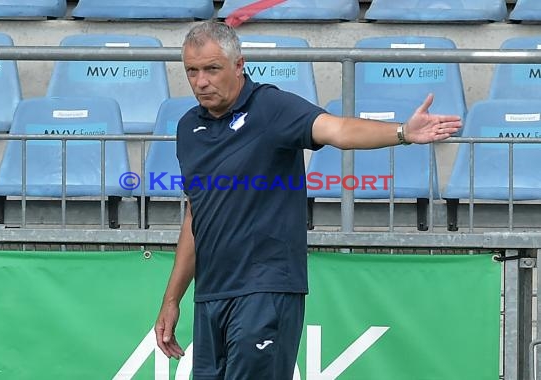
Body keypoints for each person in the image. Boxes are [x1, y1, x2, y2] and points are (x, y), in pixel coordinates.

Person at [155, 20, 462, 379]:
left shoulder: (271, 107)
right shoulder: (187, 128)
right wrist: (172, 298)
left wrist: (402, 133)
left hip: (265, 289)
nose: (201, 81)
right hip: (210, 295)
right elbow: (196, 214)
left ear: (239, 65)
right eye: (192, 71)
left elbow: (338, 129)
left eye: (211, 69)